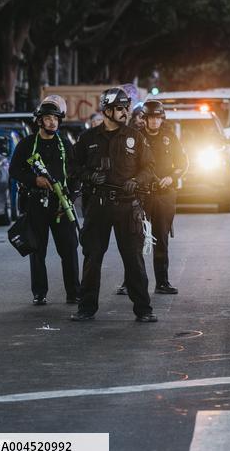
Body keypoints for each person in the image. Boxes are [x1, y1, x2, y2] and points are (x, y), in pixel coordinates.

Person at [70, 88, 158, 323]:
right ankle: (86, 308)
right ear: (107, 111)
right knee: (92, 257)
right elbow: (73, 167)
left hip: (127, 206)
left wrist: (136, 181)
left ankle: (144, 310)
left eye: (125, 108)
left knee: (134, 259)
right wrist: (89, 176)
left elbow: (150, 168)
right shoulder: (88, 138)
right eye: (119, 108)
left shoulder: (135, 137)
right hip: (97, 207)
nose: (124, 112)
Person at [9, 97, 80, 306]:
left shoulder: (65, 144)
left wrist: (72, 195)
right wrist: (34, 180)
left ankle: (74, 292)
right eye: (48, 118)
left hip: (61, 205)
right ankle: (39, 293)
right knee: (37, 250)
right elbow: (14, 170)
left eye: (55, 118)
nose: (52, 122)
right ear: (39, 121)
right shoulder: (27, 144)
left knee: (69, 249)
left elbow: (75, 173)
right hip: (36, 204)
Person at [117, 100, 187, 296]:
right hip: (141, 194)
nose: (155, 121)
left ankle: (162, 282)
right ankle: (128, 282)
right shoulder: (137, 137)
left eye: (158, 118)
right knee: (134, 239)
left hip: (164, 194)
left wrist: (171, 177)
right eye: (151, 118)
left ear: (161, 118)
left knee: (161, 238)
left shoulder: (170, 137)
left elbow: (183, 163)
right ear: (145, 119)